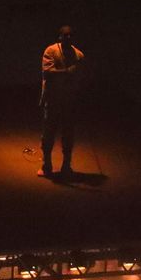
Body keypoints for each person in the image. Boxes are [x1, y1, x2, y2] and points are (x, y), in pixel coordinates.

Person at [38, 25, 84, 177]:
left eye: (71, 35)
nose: (68, 38)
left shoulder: (78, 55)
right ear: (60, 36)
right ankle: (47, 164)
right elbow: (48, 72)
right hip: (52, 100)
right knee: (48, 134)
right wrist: (66, 72)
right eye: (66, 35)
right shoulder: (51, 51)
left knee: (68, 134)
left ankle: (66, 165)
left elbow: (80, 78)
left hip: (69, 101)